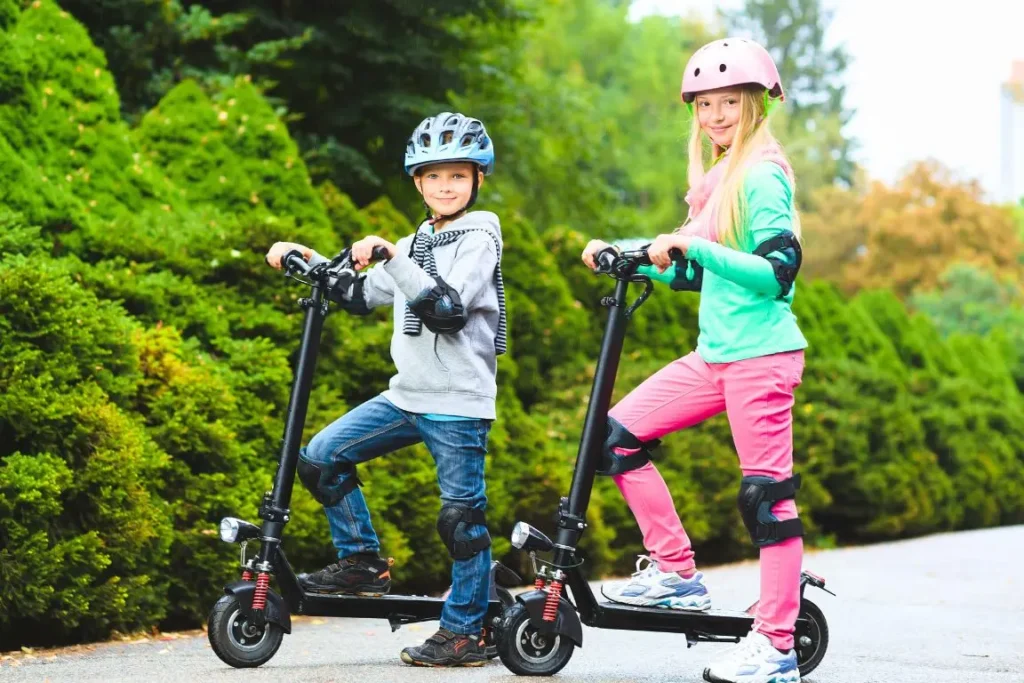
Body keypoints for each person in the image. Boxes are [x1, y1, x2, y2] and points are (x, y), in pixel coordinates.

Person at [581, 37, 807, 683]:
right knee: (615, 438)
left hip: (762, 357)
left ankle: (776, 646)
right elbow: (690, 269)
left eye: (727, 101)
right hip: (715, 357)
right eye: (705, 104)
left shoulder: (761, 173)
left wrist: (694, 250)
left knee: (767, 498)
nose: (714, 114)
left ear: (755, 103)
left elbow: (777, 273)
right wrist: (620, 250)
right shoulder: (717, 180)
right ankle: (677, 572)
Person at [265, 111, 506, 667]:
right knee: (323, 459)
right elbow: (358, 293)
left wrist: (392, 258)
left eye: (458, 176)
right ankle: (362, 563)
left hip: (458, 403)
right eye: (434, 176)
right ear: (417, 183)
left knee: (461, 520)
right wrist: (306, 260)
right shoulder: (414, 240)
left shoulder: (481, 235)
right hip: (406, 396)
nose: (446, 187)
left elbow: (444, 309)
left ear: (477, 180)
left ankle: (465, 631)